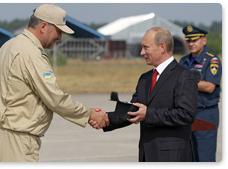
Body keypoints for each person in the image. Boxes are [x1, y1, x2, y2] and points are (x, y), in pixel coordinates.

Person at [0, 4, 109, 162]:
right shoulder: (31, 53)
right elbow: (55, 99)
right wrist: (90, 114)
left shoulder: (9, 45)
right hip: (18, 141)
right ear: (44, 26)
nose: (60, 38)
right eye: (58, 31)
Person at [90, 27, 198, 162]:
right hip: (147, 155)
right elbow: (133, 110)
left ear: (162, 47)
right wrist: (106, 118)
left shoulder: (184, 75)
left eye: (146, 47)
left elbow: (186, 114)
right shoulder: (145, 78)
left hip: (173, 156)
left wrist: (149, 114)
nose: (142, 52)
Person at [179, 25, 222, 162]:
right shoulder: (183, 61)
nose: (191, 44)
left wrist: (186, 82)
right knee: (188, 158)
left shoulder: (212, 60)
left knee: (205, 158)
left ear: (204, 41)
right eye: (188, 41)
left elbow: (209, 86)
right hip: (186, 114)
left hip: (205, 114)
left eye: (195, 40)